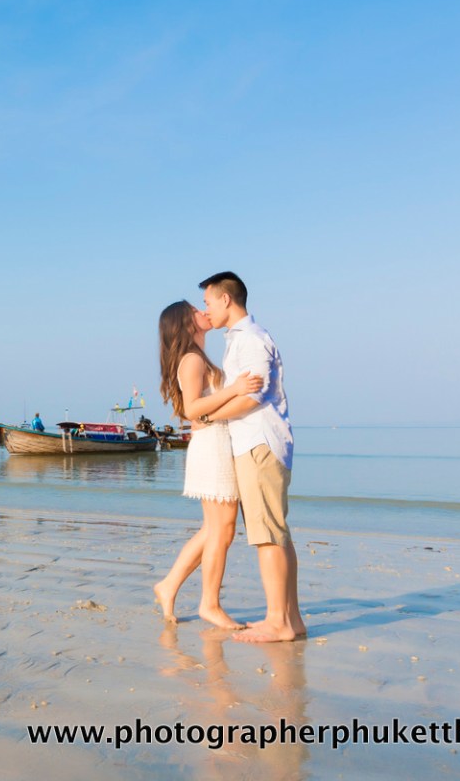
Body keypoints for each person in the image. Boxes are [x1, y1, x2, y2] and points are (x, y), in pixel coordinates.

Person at [197, 271, 305, 643]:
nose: (206, 310)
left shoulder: (252, 340)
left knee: (267, 535)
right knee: (276, 532)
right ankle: (291, 619)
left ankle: (279, 622)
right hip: (256, 443)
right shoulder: (238, 341)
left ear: (226, 299)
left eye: (209, 302)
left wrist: (207, 415)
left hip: (259, 442)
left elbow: (252, 397)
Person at [152, 300, 264, 628]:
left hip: (214, 443)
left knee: (214, 529)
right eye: (196, 311)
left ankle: (169, 585)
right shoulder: (190, 359)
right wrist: (236, 389)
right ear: (187, 324)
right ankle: (209, 605)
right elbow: (191, 408)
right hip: (212, 444)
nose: (204, 312)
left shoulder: (198, 357)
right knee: (223, 529)